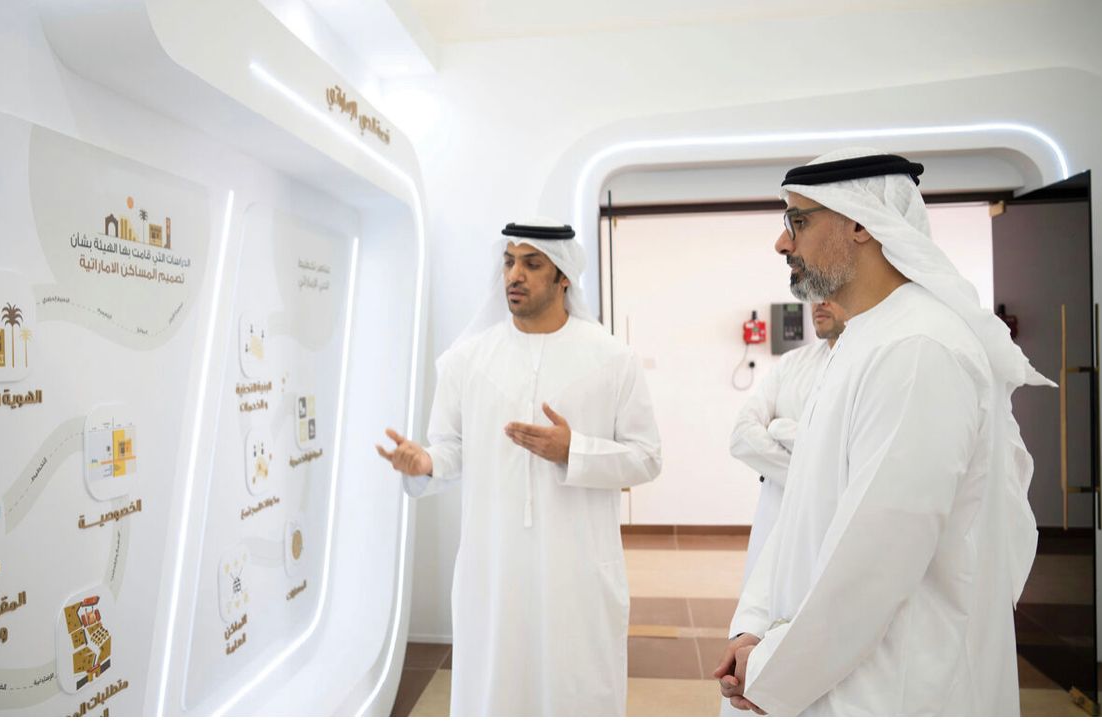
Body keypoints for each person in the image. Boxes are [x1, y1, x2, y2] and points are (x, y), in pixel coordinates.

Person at [713, 149, 1050, 716]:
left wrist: (771, 668)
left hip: (891, 684)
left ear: (860, 223)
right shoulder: (861, 341)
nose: (781, 243)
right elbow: (800, 515)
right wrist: (753, 625)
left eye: (798, 221)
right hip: (822, 667)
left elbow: (877, 560)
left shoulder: (917, 348)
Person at [376, 219, 662, 716]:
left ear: (563, 276)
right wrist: (424, 462)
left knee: (577, 687)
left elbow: (647, 457)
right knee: (496, 687)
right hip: (495, 567)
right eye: (509, 262)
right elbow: (450, 449)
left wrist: (574, 451)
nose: (514, 274)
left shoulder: (613, 359)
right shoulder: (467, 361)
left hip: (576, 568)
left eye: (532, 264)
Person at [729, 301, 846, 586]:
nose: (819, 301)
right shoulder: (792, 363)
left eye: (830, 290)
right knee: (762, 602)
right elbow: (742, 437)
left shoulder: (865, 367)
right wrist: (818, 475)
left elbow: (849, 457)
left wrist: (778, 429)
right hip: (774, 517)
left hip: (827, 528)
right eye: (813, 292)